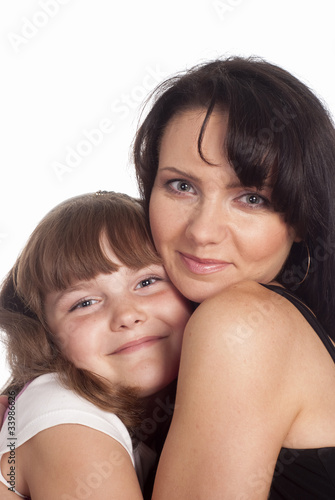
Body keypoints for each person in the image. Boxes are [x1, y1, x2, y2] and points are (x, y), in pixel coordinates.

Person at [133, 56, 335, 499]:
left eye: (250, 198)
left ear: (300, 219)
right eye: (181, 186)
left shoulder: (242, 325)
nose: (202, 232)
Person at [0, 191, 192, 499]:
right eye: (85, 302)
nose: (127, 316)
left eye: (147, 282)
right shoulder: (63, 409)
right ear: (47, 334)